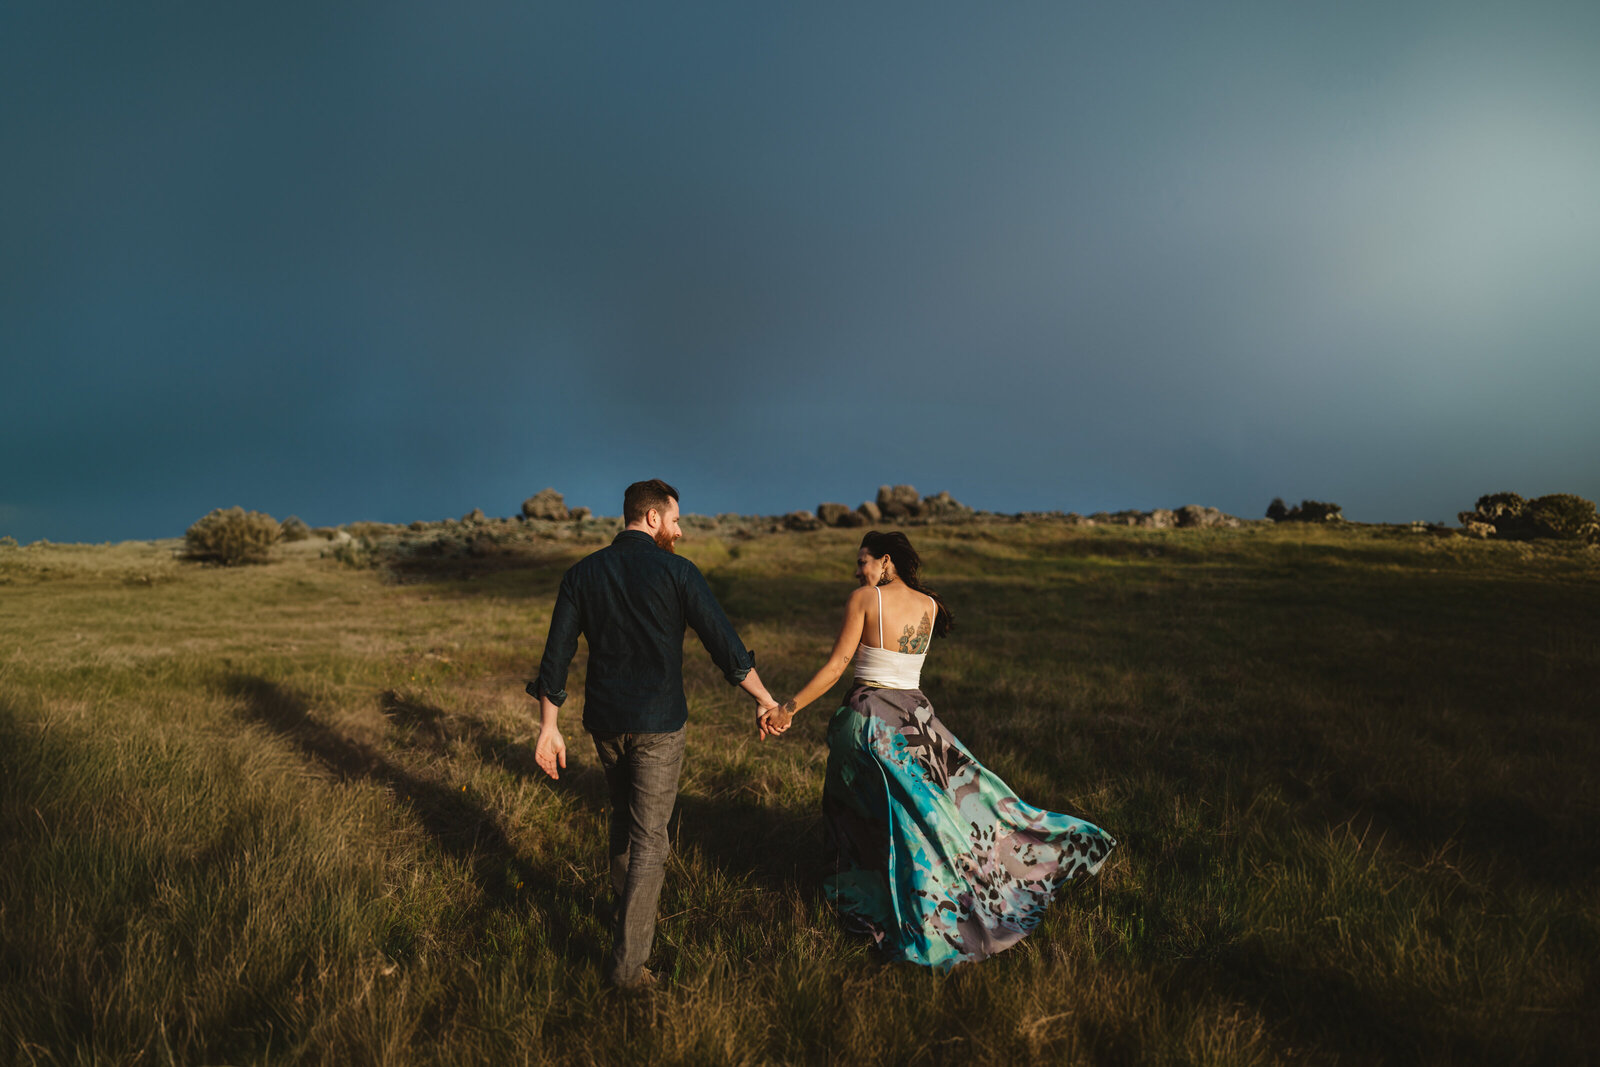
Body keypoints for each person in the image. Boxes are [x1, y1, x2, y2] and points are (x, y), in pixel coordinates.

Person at [760, 530, 1115, 970]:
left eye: (863, 562)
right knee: (928, 814)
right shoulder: (930, 605)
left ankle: (874, 905)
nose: (858, 571)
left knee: (859, 815)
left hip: (871, 719)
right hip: (916, 722)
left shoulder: (865, 599)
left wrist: (787, 708)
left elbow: (836, 668)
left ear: (885, 560)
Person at [529, 478, 781, 990]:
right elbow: (726, 646)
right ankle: (626, 971)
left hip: (604, 721)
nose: (680, 530)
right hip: (659, 724)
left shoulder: (582, 574)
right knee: (650, 841)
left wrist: (548, 727)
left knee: (625, 820)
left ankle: (625, 921)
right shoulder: (678, 573)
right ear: (651, 519)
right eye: (675, 519)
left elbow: (556, 658)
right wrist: (764, 699)